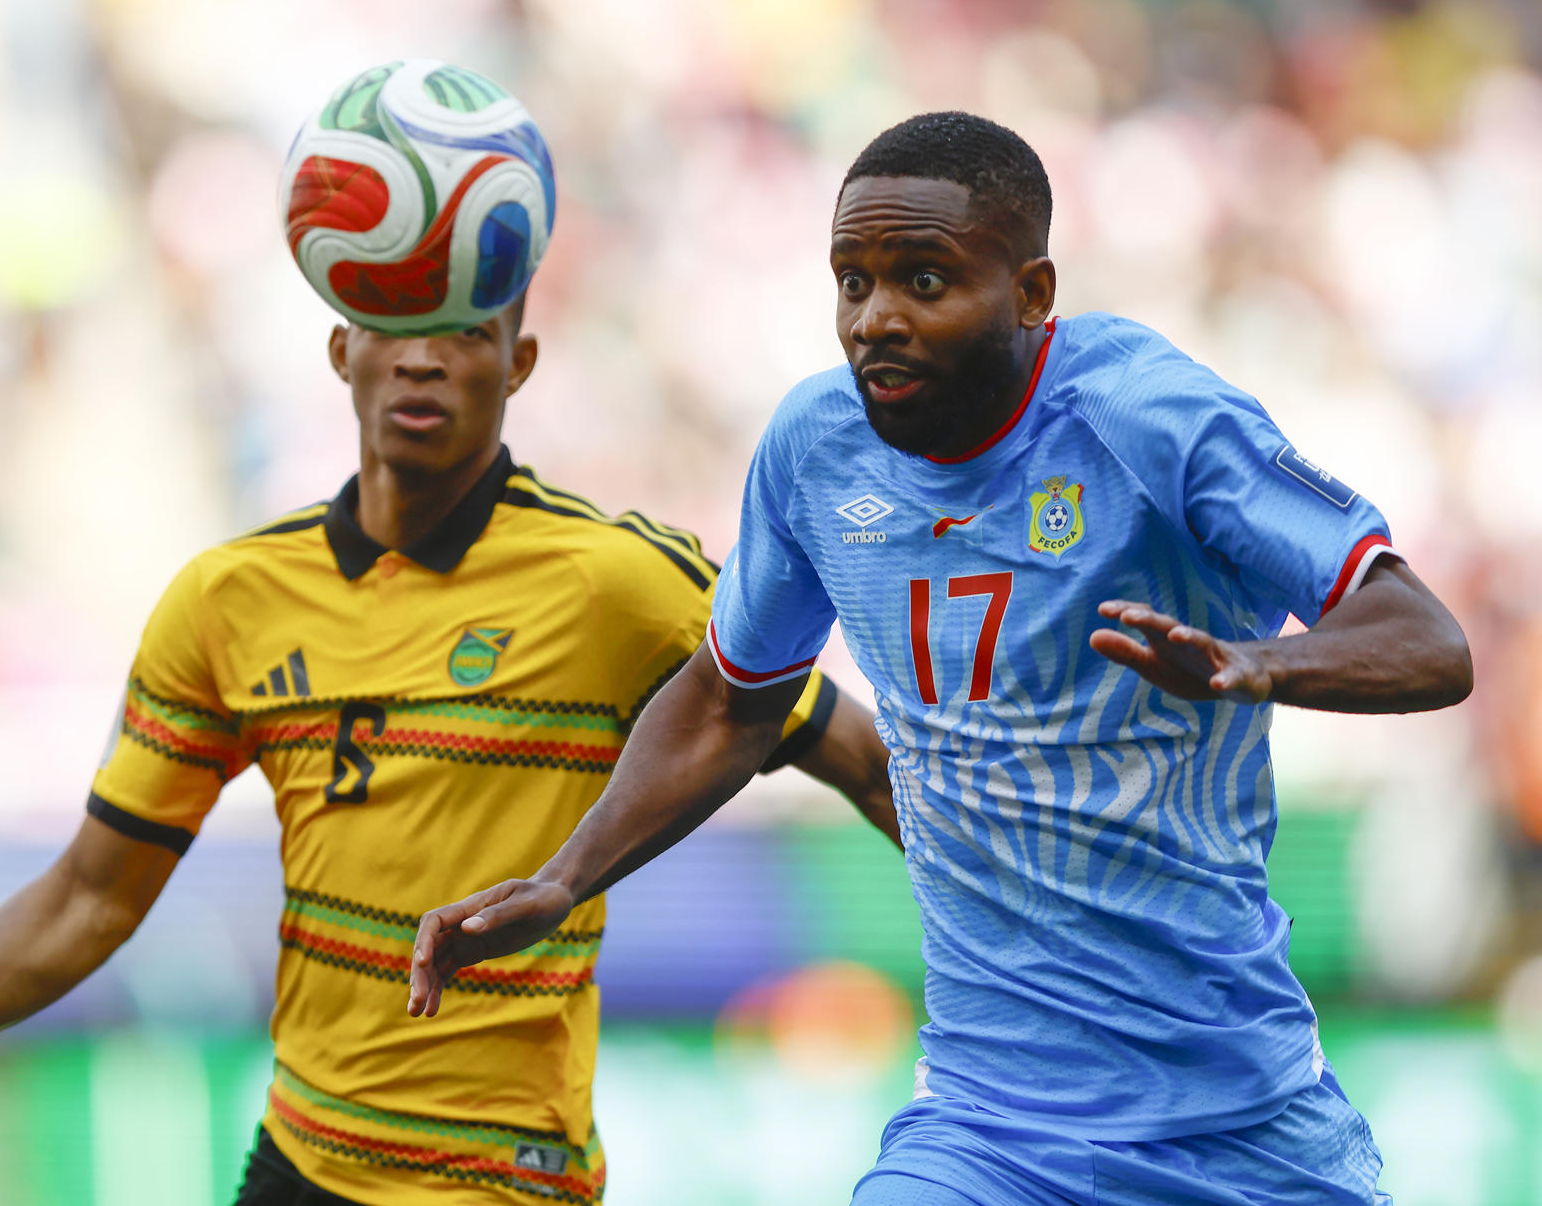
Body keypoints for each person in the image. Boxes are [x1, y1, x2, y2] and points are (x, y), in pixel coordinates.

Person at [407, 112, 1474, 1206]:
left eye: (924, 278)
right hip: (984, 1128)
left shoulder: (1147, 418)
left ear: (1032, 292)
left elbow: (1429, 640)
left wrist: (1258, 666)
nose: (876, 320)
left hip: (1235, 1124)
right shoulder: (816, 448)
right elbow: (732, 699)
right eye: (852, 282)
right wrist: (564, 876)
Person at [0, 291, 900, 1206]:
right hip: (302, 1159)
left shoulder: (619, 584)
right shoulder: (229, 600)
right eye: (396, 325)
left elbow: (860, 757)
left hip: (498, 1178)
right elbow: (94, 891)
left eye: (467, 329)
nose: (427, 357)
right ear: (341, 346)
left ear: (523, 359)